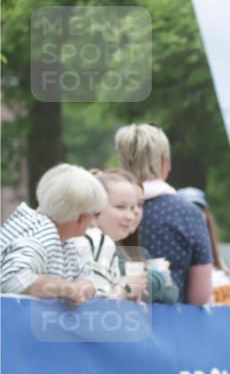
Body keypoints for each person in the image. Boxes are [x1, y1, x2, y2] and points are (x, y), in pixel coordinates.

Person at [114, 123, 213, 304]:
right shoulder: (188, 214)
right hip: (173, 323)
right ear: (165, 163)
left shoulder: (105, 210)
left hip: (114, 319)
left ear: (122, 163)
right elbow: (200, 295)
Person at [0, 163, 103, 303]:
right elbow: (14, 280)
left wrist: (84, 285)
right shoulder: (38, 235)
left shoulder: (64, 242)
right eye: (95, 214)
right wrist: (65, 288)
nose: (94, 220)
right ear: (81, 217)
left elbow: (83, 274)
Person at [78, 170, 178, 304]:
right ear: (94, 207)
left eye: (136, 206)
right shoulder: (92, 242)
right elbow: (101, 304)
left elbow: (172, 293)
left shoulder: (109, 245)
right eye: (120, 207)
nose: (132, 216)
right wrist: (159, 278)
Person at [177, 187, 230, 306]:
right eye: (187, 209)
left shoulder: (219, 265)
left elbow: (227, 311)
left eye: (199, 209)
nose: (193, 214)